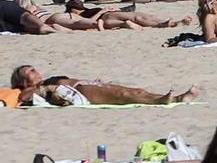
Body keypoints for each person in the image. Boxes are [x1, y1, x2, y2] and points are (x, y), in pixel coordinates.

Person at [8, 64, 198, 106]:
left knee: (134, 91)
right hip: (83, 93)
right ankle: (160, 101)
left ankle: (178, 98)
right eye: (30, 72)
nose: (36, 71)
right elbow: (23, 97)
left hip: (86, 85)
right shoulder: (30, 90)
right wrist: (43, 89)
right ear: (24, 82)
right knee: (124, 95)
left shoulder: (45, 81)